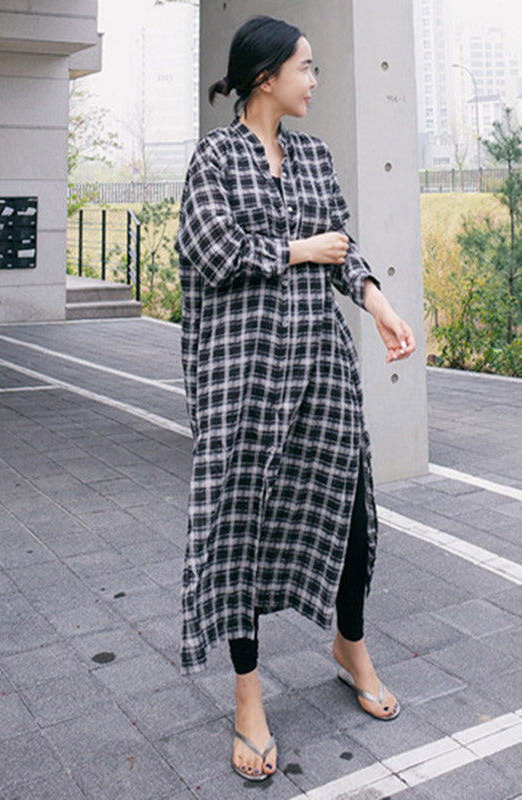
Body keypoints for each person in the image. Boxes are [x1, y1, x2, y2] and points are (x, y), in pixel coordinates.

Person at [174, 15, 416, 783]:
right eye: (305, 67)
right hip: (244, 375)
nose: (314, 79)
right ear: (266, 76)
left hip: (319, 366)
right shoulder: (216, 157)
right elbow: (208, 248)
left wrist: (378, 302)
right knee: (242, 526)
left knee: (349, 510)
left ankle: (350, 645)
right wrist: (296, 249)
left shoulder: (314, 155)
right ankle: (248, 694)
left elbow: (341, 247)